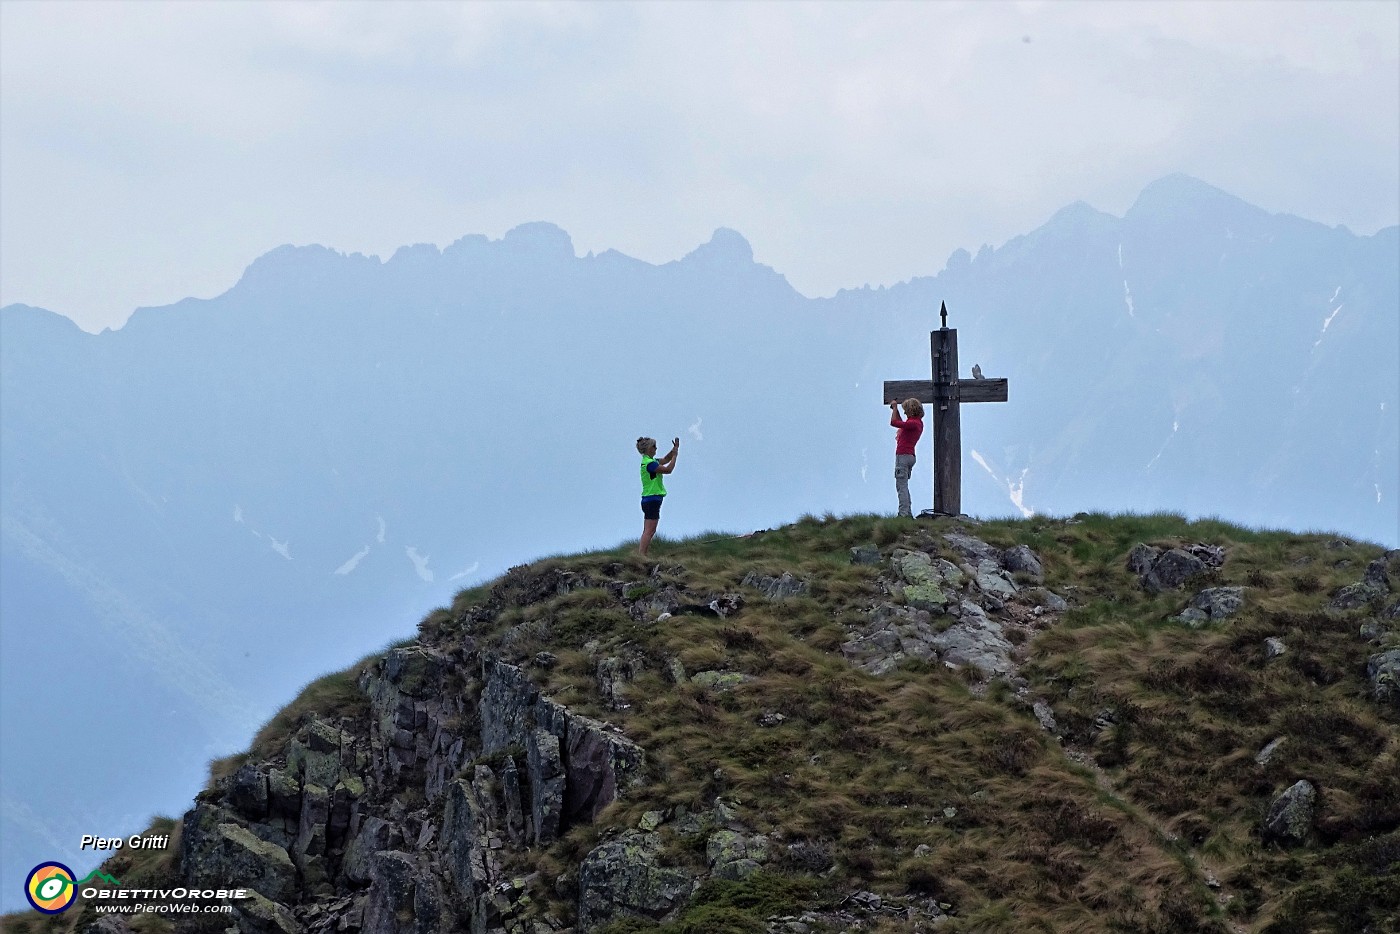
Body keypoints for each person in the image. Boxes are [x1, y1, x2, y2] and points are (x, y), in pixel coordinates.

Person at [637, 436, 679, 555]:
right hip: (652, 498)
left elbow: (665, 459)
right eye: (654, 446)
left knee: (649, 530)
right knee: (649, 531)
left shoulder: (651, 461)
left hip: (650, 499)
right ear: (648, 449)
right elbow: (668, 469)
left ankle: (642, 554)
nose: (656, 448)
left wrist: (674, 450)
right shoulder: (649, 464)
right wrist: (675, 456)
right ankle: (642, 555)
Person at [888, 398, 924, 517]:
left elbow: (894, 422)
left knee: (901, 486)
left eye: (905, 410)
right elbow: (901, 423)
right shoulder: (916, 423)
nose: (904, 413)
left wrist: (894, 408)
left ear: (910, 410)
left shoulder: (912, 423)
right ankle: (907, 511)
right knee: (904, 485)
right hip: (910, 456)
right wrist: (896, 409)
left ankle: (904, 513)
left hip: (903, 456)